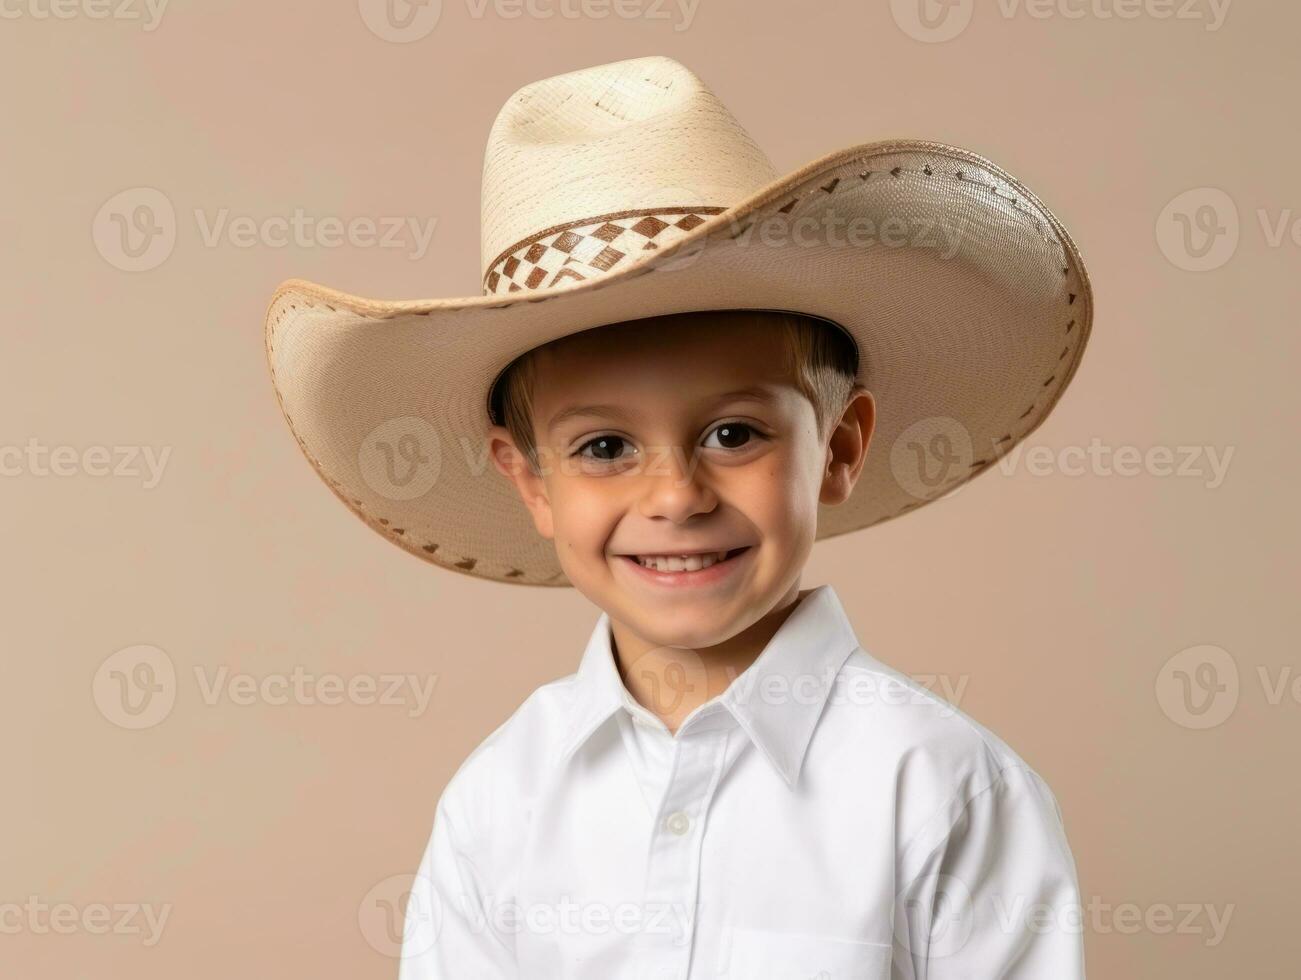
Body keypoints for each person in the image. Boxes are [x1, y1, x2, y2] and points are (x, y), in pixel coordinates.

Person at [264, 55, 1093, 979]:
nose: (675, 496)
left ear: (841, 446)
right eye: (604, 449)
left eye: (734, 433)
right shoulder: (500, 800)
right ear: (531, 481)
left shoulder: (945, 791)